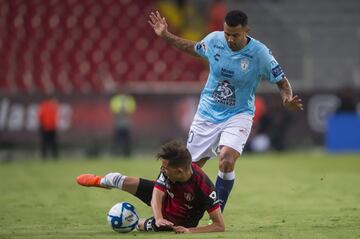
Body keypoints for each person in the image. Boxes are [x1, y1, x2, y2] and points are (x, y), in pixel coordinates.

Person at [148, 10, 303, 212]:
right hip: (207, 113)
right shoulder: (214, 40)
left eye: (235, 35)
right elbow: (193, 47)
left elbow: (282, 82)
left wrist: (286, 99)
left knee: (227, 160)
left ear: (246, 31)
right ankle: (168, 207)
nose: (229, 39)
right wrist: (166, 35)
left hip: (239, 115)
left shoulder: (260, 54)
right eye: (227, 33)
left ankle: (217, 211)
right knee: (187, 169)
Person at [76, 140, 225, 233]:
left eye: (165, 168)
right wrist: (158, 216)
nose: (162, 170)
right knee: (118, 178)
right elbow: (157, 194)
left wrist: (190, 231)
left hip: (176, 222)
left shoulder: (205, 188)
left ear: (179, 171)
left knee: (136, 225)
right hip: (165, 198)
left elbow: (219, 226)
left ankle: (134, 223)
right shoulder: (167, 172)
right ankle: (103, 182)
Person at [109, 90, 136, 156]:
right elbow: (113, 109)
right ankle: (116, 153)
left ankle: (127, 153)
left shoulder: (129, 99)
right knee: (117, 138)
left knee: (127, 139)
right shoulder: (115, 99)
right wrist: (120, 111)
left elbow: (132, 109)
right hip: (118, 121)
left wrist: (125, 111)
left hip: (126, 121)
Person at [37, 95, 59, 159]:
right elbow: (40, 116)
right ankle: (46, 156)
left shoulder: (46, 106)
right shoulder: (48, 106)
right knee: (48, 143)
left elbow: (40, 116)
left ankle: (51, 156)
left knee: (50, 143)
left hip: (50, 127)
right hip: (47, 127)